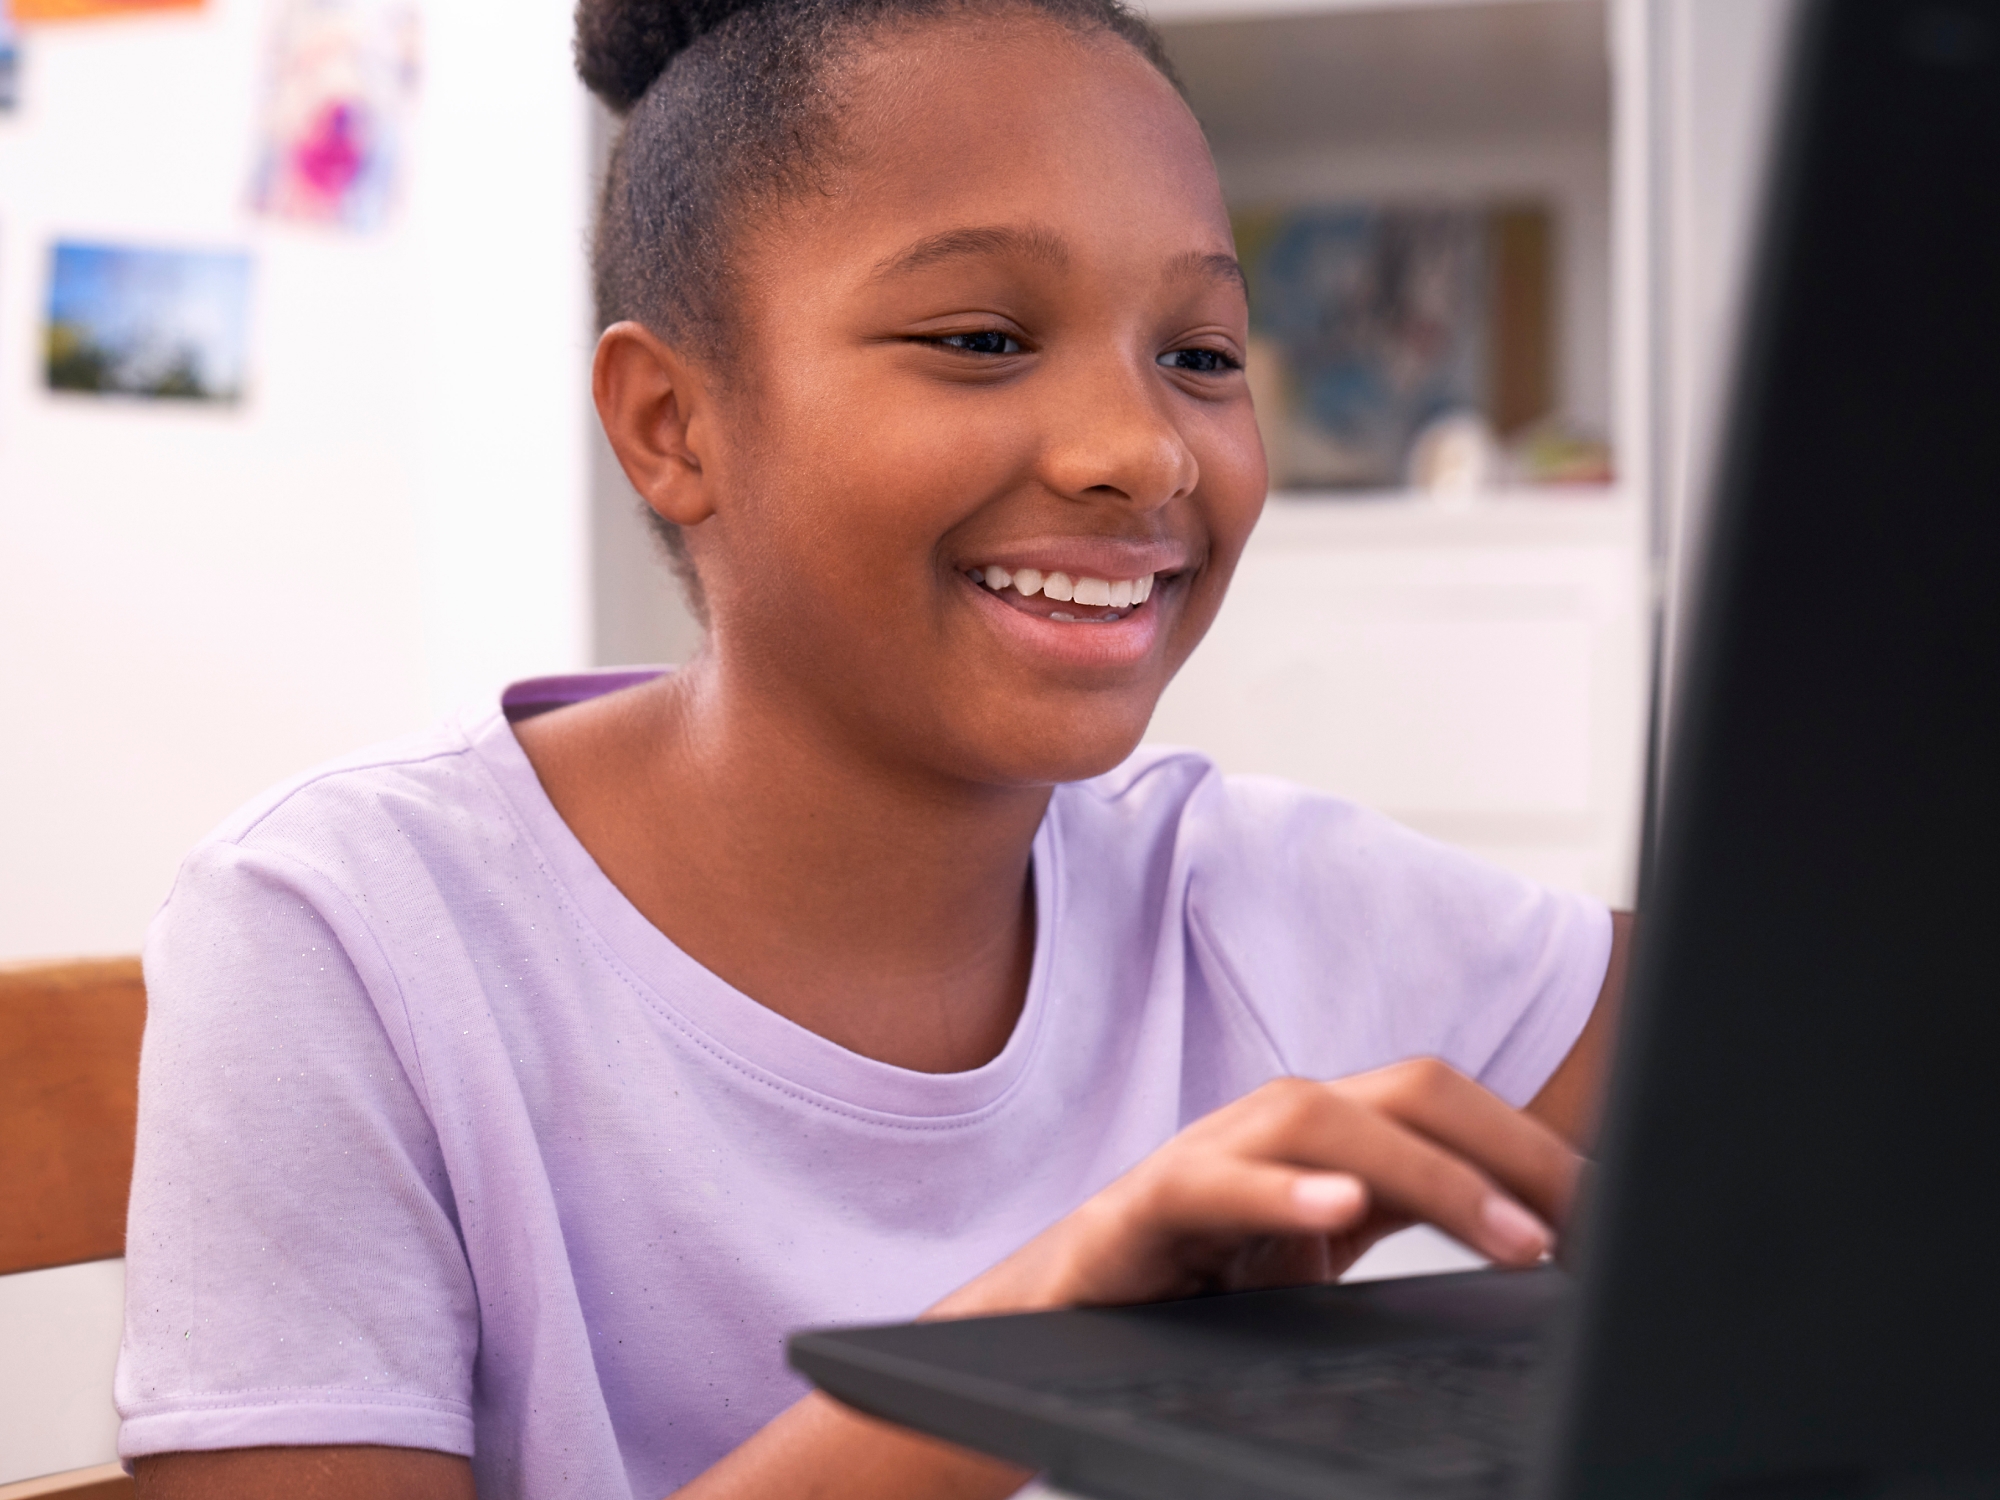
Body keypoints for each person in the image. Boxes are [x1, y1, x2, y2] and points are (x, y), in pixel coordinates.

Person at [118, 0, 1631, 1495]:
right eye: (981, 337)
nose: (1143, 450)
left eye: (1202, 355)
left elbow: (1824, 1089)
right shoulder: (344, 936)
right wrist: (1050, 1344)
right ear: (672, 424)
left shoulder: (1250, 892)